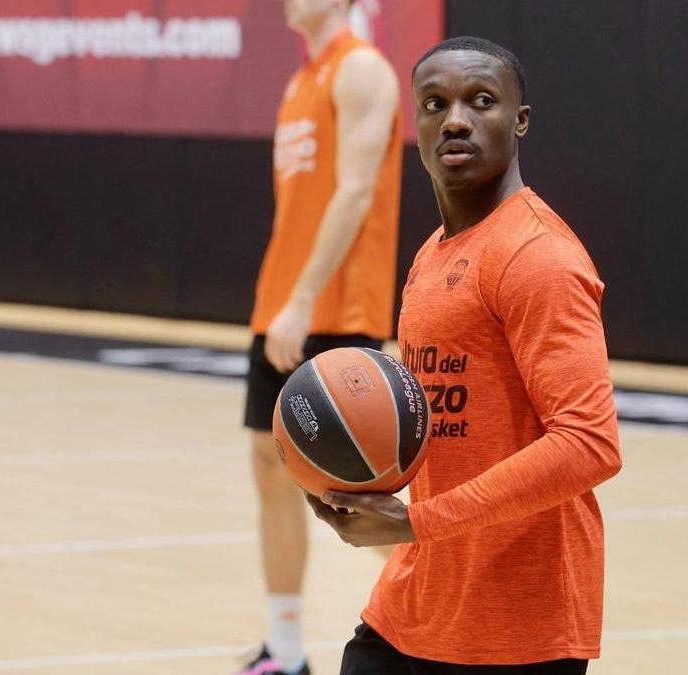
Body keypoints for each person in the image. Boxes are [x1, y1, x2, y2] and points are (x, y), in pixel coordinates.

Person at [306, 37, 623, 674]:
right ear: (415, 126)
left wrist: (416, 521)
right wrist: (359, 484)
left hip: (519, 625)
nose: (456, 118)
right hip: (418, 599)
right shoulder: (432, 255)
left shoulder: (539, 258)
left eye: (482, 101)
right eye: (435, 103)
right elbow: (435, 424)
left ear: (520, 121)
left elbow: (591, 445)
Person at [239, 1, 402, 673]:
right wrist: (285, 299)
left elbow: (356, 192)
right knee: (268, 468)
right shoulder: (297, 82)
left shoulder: (362, 70)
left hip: (335, 311)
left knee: (362, 502)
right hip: (282, 307)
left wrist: (305, 298)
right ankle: (283, 650)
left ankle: (462, 639)